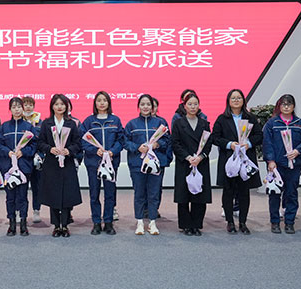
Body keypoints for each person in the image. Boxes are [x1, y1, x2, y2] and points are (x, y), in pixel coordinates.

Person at [212, 89, 263, 235]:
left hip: (246, 159)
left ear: (243, 100)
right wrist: (230, 144)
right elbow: (215, 138)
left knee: (244, 192)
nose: (236, 100)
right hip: (229, 160)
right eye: (233, 98)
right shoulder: (222, 119)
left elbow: (259, 136)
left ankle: (242, 222)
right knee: (228, 191)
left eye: (239, 98)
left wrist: (249, 144)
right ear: (228, 101)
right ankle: (230, 222)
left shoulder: (250, 118)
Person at [262, 94, 301, 234]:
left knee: (291, 194)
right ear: (279, 106)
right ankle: (275, 222)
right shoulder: (272, 123)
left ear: (293, 106)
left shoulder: (300, 123)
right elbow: (267, 143)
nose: (286, 107)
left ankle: (290, 222)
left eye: (289, 104)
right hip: (276, 165)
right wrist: (270, 160)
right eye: (283, 104)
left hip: (294, 165)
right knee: (274, 194)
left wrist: (298, 150)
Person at [124, 94, 171, 235]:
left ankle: (152, 222)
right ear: (138, 106)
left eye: (148, 104)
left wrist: (158, 144)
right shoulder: (131, 124)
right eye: (143, 104)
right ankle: (139, 222)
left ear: (153, 107)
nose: (145, 107)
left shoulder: (160, 123)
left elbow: (167, 140)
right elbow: (125, 142)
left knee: (153, 193)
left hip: (155, 164)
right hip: (137, 164)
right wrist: (137, 147)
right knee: (139, 193)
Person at [37, 94, 82, 237]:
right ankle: (57, 226)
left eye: (62, 104)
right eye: (56, 104)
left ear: (67, 106)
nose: (59, 107)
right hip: (51, 163)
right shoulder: (46, 123)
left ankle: (65, 225)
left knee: (67, 194)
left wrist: (69, 150)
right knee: (53, 194)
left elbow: (78, 143)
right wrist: (49, 149)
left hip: (67, 163)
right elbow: (40, 142)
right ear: (52, 106)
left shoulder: (71, 123)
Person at [81, 91, 124, 235]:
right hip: (93, 162)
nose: (102, 103)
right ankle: (96, 222)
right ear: (95, 103)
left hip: (111, 162)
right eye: (99, 100)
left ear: (109, 103)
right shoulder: (89, 121)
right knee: (94, 193)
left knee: (110, 193)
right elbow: (83, 141)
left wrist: (112, 151)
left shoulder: (115, 120)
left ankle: (109, 222)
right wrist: (95, 150)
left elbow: (121, 139)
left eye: (104, 100)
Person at [171, 92, 212, 236]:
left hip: (201, 163)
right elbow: (175, 143)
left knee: (200, 195)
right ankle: (186, 225)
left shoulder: (204, 123)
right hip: (185, 163)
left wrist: (200, 157)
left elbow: (208, 144)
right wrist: (188, 157)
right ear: (184, 106)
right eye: (190, 104)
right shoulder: (178, 123)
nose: (193, 107)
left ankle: (196, 224)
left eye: (195, 104)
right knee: (184, 196)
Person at [0, 97, 37, 236]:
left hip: (24, 167)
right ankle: (12, 224)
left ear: (23, 108)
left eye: (19, 107)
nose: (17, 109)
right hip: (8, 168)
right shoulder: (4, 127)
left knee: (22, 196)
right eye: (14, 107)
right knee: (10, 197)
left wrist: (23, 152)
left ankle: (24, 223)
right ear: (10, 109)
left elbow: (34, 145)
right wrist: (8, 152)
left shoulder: (29, 127)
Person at [23, 96, 43, 223]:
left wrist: (40, 155)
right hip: (23, 158)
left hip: (37, 159)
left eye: (30, 105)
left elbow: (43, 139)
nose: (28, 107)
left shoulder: (40, 122)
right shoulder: (18, 121)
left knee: (37, 187)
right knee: (22, 188)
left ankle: (36, 210)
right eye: (25, 104)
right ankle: (21, 212)